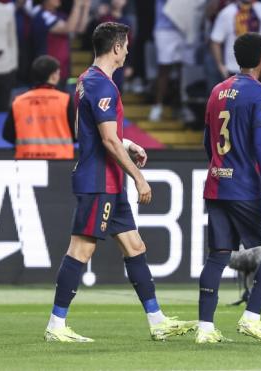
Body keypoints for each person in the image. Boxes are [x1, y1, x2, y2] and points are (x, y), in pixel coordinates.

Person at [44, 22, 195, 343]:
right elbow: (107, 141)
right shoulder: (102, 85)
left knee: (135, 246)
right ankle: (56, 325)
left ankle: (157, 321)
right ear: (116, 47)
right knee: (80, 251)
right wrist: (139, 177)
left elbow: (87, 132)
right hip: (99, 182)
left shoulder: (85, 80)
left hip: (108, 180)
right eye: (125, 45)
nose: (128, 51)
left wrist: (127, 144)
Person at [196, 32, 261, 344]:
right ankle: (252, 317)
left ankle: (205, 328)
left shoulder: (217, 90)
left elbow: (207, 141)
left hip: (217, 184)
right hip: (246, 189)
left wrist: (218, 167)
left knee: (218, 255)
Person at [2, 55, 75, 159]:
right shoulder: (65, 100)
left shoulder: (19, 101)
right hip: (61, 160)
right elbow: (76, 134)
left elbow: (7, 135)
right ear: (54, 76)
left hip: (26, 160)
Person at [31, 0, 91, 86]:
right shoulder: (42, 15)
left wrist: (85, 7)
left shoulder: (60, 15)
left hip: (63, 68)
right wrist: (77, 5)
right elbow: (68, 28)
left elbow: (80, 29)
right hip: (48, 70)